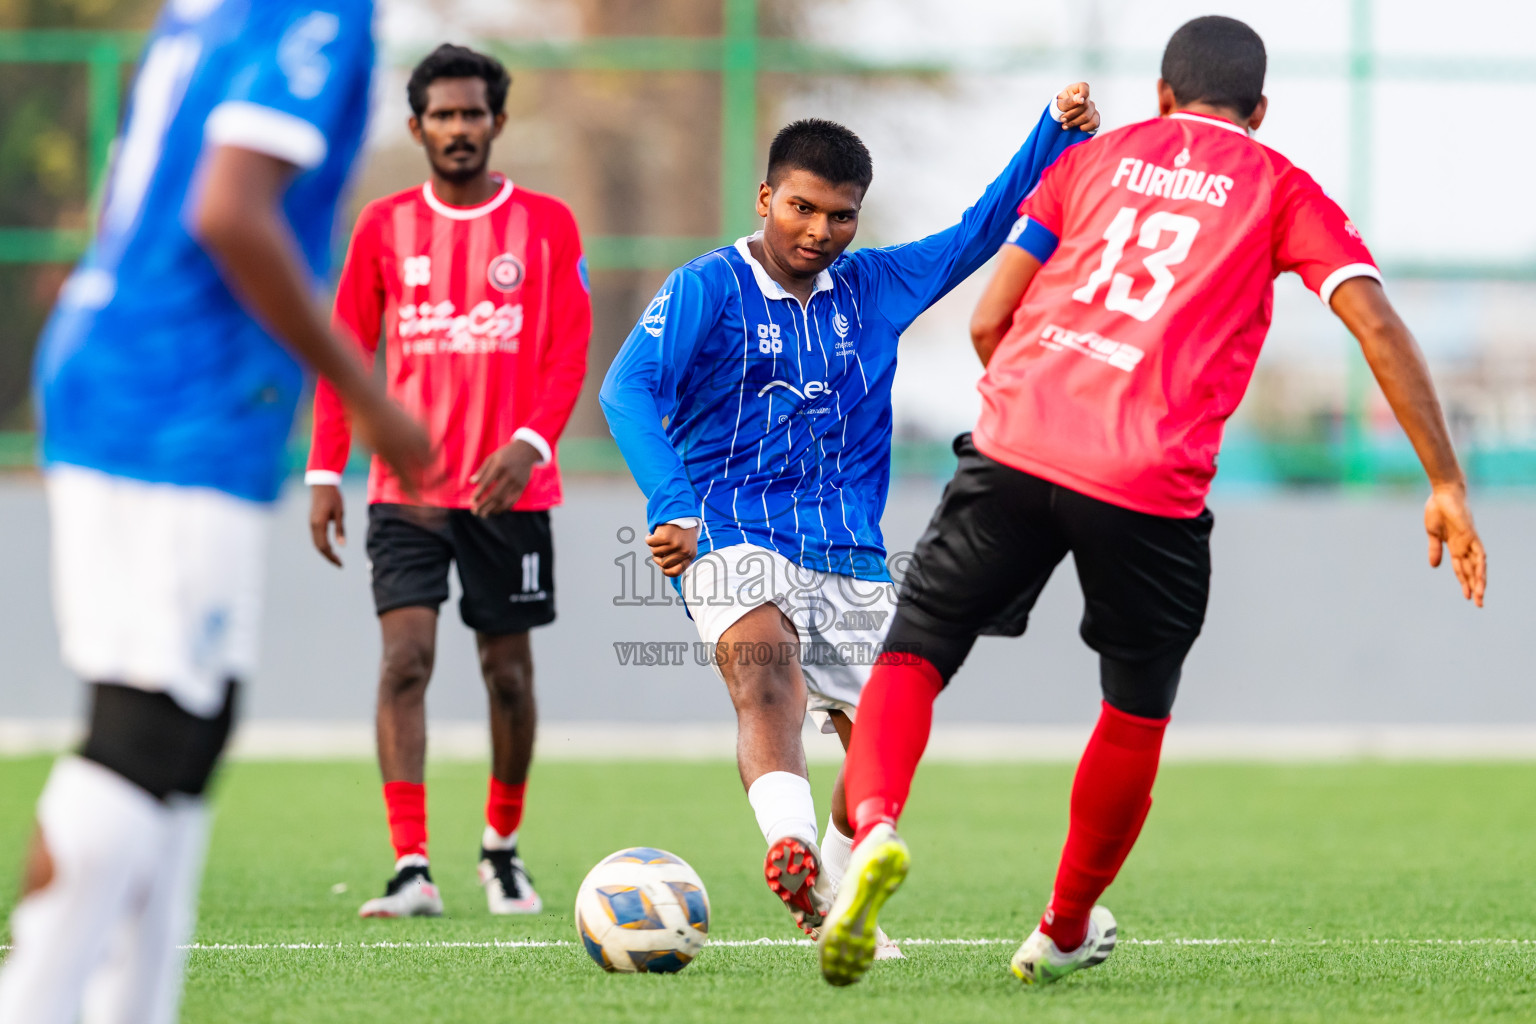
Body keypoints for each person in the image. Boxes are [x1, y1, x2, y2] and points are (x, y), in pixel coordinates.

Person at [818, 15, 1489, 989]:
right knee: (1134, 706)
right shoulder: (1278, 187)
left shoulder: (1090, 163)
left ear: (1165, 97)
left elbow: (991, 315)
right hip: (1146, 479)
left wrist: (1031, 406)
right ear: (1257, 111)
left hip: (1016, 441)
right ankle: (1062, 924)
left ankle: (873, 825)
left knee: (916, 650)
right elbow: (1372, 319)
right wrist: (1444, 480)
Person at [0, 2, 429, 1022]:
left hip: (153, 386)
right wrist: (366, 396)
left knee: (188, 730)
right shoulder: (311, 13)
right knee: (145, 728)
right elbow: (230, 209)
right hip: (171, 400)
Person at [600, 85, 1100, 951]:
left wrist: (1051, 134)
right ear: (765, 199)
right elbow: (627, 388)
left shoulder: (875, 287)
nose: (817, 232)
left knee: (879, 743)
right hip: (729, 532)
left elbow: (981, 231)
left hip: (849, 551)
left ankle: (827, 885)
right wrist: (673, 503)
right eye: (800, 208)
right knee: (768, 679)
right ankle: (789, 848)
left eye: (840, 216)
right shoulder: (707, 288)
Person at [306, 43, 591, 919]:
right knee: (405, 660)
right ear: (417, 126)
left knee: (508, 675)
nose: (460, 128)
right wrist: (325, 470)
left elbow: (569, 349)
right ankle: (410, 866)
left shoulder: (547, 226)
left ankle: (501, 851)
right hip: (406, 494)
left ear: (498, 123)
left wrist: (532, 442)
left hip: (511, 493)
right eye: (444, 115)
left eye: (474, 114)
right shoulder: (384, 228)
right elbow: (346, 350)